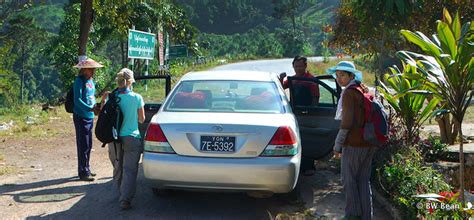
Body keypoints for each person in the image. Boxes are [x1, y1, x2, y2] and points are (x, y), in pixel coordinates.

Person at [329, 61, 375, 220]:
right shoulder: (363, 89)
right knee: (363, 180)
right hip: (369, 141)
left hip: (354, 143)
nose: (338, 78)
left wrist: (337, 145)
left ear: (351, 76)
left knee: (348, 180)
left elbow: (346, 122)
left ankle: (352, 215)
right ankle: (366, 216)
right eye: (337, 75)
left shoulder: (349, 93)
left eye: (342, 75)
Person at [106, 68, 145, 210]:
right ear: (130, 82)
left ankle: (119, 192)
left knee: (118, 166)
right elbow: (142, 119)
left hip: (115, 138)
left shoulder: (113, 98)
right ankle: (125, 199)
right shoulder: (137, 98)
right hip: (132, 137)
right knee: (129, 169)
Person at [279, 55, 320, 176]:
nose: (298, 68)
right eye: (296, 66)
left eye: (300, 66)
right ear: (293, 66)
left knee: (308, 139)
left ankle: (309, 167)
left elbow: (315, 98)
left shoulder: (311, 80)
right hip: (295, 113)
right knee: (296, 139)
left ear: (305, 66)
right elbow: (281, 88)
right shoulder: (292, 79)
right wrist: (281, 79)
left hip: (308, 113)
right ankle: (299, 166)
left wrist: (313, 112)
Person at [72, 58, 103, 182]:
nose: (93, 71)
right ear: (84, 70)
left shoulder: (91, 81)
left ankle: (87, 168)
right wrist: (90, 109)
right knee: (83, 144)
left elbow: (91, 97)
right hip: (81, 116)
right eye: (91, 69)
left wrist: (96, 107)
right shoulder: (79, 81)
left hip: (89, 116)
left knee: (89, 144)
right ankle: (83, 172)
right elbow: (77, 100)